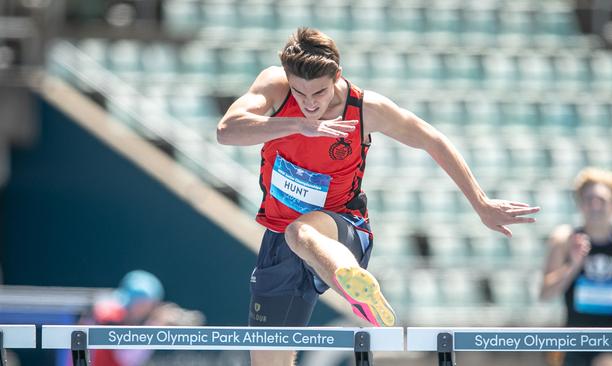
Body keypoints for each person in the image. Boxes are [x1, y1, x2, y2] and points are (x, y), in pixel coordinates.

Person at [217, 27, 540, 366]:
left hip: (341, 228)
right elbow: (227, 131)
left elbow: (432, 140)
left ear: (337, 76)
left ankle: (357, 289)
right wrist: (296, 124)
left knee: (303, 232)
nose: (310, 103)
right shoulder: (275, 87)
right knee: (267, 360)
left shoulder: (366, 108)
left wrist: (481, 204)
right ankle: (346, 285)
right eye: (300, 93)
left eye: (320, 93)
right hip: (278, 237)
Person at [541, 167, 612, 366]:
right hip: (576, 341)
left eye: (602, 200)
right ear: (579, 204)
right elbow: (545, 294)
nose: (595, 206)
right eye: (588, 200)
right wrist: (573, 265)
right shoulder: (564, 240)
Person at [74, 270, 205, 366]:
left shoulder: (119, 315)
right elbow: (127, 358)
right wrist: (156, 325)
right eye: (145, 303)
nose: (149, 308)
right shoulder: (110, 316)